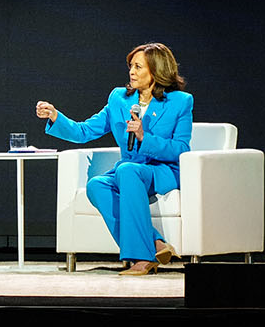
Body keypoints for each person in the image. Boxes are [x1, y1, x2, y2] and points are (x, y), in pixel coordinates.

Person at [35, 42, 193, 275]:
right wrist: (56, 116)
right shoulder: (119, 98)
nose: (132, 72)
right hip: (129, 169)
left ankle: (141, 259)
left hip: (163, 171)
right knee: (96, 185)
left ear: (156, 70)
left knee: (127, 170)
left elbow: (180, 149)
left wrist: (144, 137)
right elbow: (84, 131)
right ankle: (157, 244)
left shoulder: (180, 101)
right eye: (131, 66)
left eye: (139, 67)